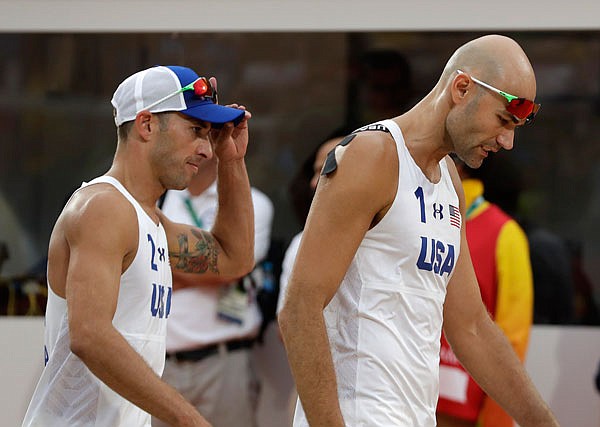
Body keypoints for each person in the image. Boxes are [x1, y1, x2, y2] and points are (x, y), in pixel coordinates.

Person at [278, 35, 559, 427]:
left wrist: (544, 422)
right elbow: (299, 308)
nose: (507, 142)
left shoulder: (450, 184)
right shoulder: (370, 156)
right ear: (462, 88)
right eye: (502, 120)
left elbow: (472, 327)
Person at [22, 65, 255, 427]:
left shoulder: (149, 220)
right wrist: (189, 419)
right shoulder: (104, 208)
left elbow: (233, 258)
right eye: (196, 130)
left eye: (209, 135)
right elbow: (90, 335)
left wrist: (233, 161)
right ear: (146, 125)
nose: (206, 149)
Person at [153, 154, 273, 427]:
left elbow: (235, 269)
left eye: (205, 133)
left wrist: (167, 269)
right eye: (193, 131)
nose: (197, 145)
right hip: (160, 363)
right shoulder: (157, 199)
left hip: (224, 359)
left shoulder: (253, 202)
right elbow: (138, 267)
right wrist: (209, 268)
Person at [436, 156, 534, 427]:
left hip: (461, 413)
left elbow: (511, 342)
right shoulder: (414, 216)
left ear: (458, 167)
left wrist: (496, 422)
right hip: (401, 400)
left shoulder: (505, 233)